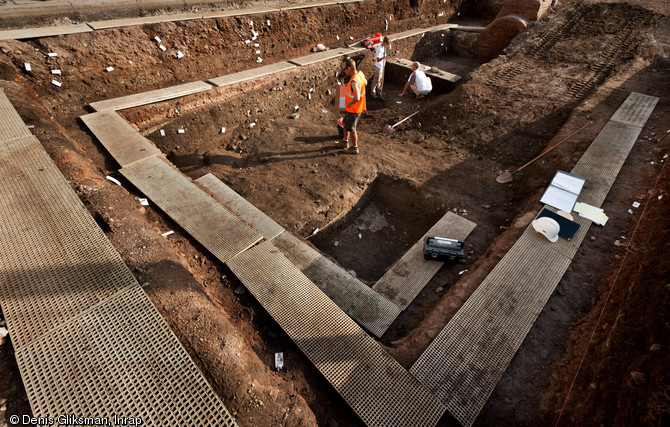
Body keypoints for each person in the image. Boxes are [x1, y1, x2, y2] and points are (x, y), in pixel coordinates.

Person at [341, 58, 367, 155]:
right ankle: (344, 142)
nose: (344, 71)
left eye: (344, 69)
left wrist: (349, 103)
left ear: (349, 68)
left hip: (354, 109)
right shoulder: (360, 74)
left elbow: (356, 97)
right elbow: (366, 82)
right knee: (345, 123)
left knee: (352, 129)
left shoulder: (354, 82)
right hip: (353, 109)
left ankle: (354, 147)